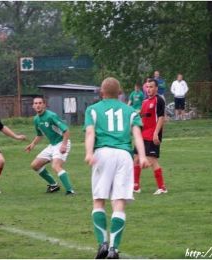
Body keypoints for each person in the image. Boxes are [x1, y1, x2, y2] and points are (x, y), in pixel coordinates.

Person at [84, 77, 149, 259]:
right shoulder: (130, 110)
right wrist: (142, 157)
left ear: (101, 92)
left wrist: (89, 153)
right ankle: (114, 248)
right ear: (120, 92)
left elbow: (90, 132)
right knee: (118, 201)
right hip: (124, 156)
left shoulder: (92, 110)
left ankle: (102, 243)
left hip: (102, 154)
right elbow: (137, 135)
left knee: (99, 200)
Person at [25, 96, 74, 195]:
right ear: (33, 106)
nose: (38, 105)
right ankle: (54, 185)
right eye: (36, 103)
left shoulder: (51, 116)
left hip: (61, 143)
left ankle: (70, 191)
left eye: (40, 103)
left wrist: (64, 145)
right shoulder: (36, 119)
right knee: (35, 165)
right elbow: (39, 135)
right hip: (52, 145)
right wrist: (32, 144)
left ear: (44, 105)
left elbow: (66, 130)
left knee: (56, 166)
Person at [133, 79, 167, 195]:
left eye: (151, 87)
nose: (149, 89)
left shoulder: (159, 100)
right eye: (147, 87)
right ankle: (135, 186)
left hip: (153, 135)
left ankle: (162, 188)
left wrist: (156, 133)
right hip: (143, 135)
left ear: (156, 88)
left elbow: (161, 118)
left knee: (152, 160)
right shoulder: (145, 101)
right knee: (136, 158)